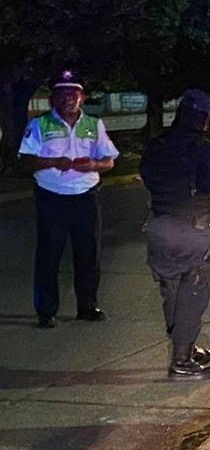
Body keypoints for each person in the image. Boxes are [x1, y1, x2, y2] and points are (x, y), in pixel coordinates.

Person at [140, 89, 210, 381]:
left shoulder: (155, 147)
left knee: (172, 291)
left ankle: (185, 347)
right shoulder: (209, 151)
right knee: (194, 294)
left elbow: (148, 177)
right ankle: (181, 362)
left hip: (159, 229)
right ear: (205, 119)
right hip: (196, 233)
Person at [18, 70, 119, 329]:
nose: (68, 99)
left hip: (86, 197)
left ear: (81, 98)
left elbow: (109, 161)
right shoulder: (40, 125)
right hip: (52, 198)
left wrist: (93, 164)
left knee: (88, 254)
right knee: (49, 255)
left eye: (73, 93)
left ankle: (87, 306)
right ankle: (46, 311)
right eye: (62, 94)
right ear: (53, 99)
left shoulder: (94, 124)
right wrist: (53, 162)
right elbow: (26, 160)